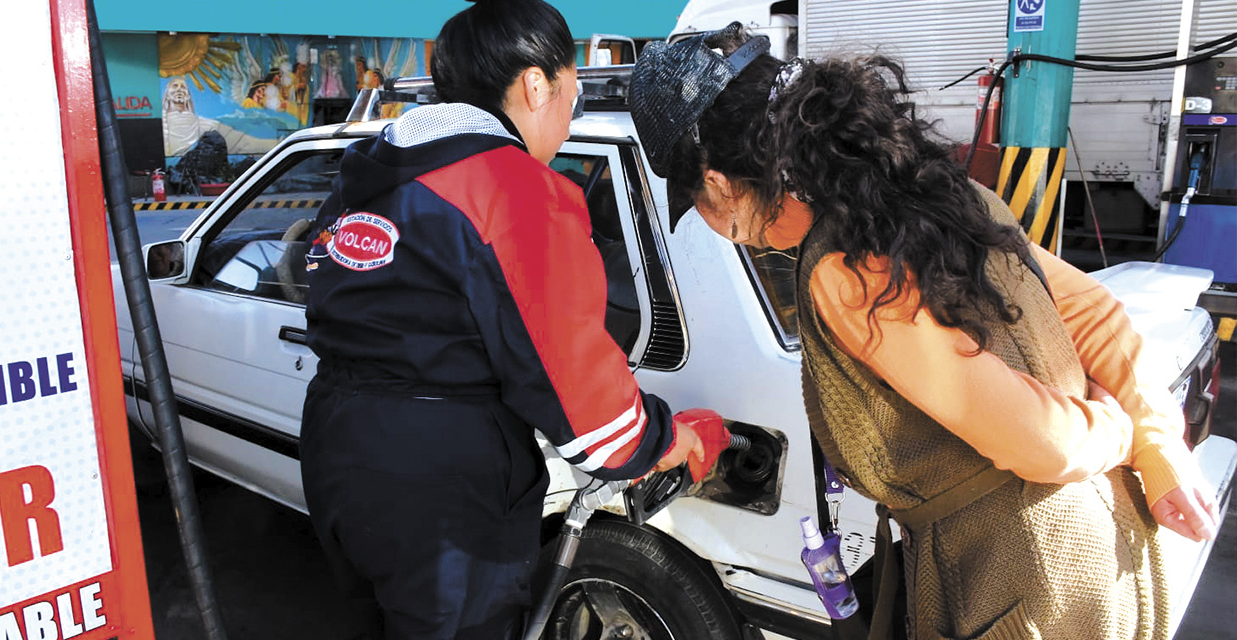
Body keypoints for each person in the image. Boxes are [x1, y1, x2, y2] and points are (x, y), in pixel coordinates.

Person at [628, 23, 1220, 640]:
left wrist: (1122, 433)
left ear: (720, 183)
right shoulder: (946, 193)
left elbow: (1042, 441)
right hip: (1107, 547)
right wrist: (1156, 447)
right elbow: (1097, 313)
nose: (713, 225)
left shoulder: (844, 269)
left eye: (695, 201)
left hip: (1023, 583)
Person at [297, 1, 732, 639]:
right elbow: (586, 407)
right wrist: (667, 440)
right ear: (535, 84)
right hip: (441, 486)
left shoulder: (370, 174)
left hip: (336, 449)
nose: (568, 116)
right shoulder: (514, 191)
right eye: (572, 96)